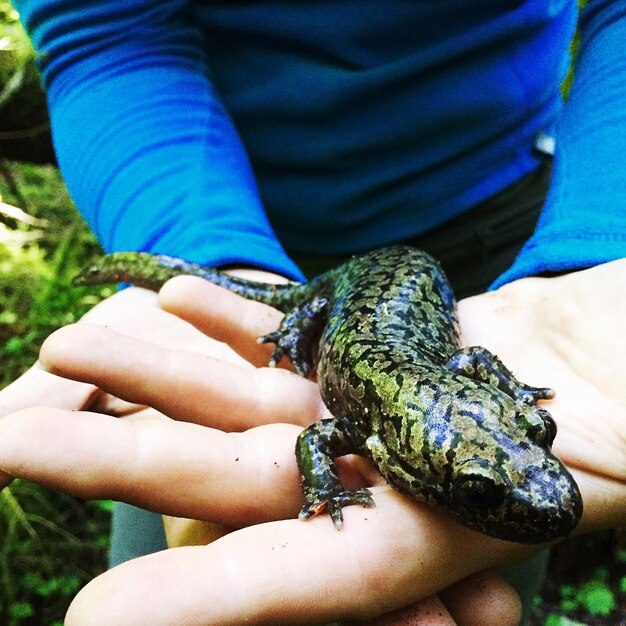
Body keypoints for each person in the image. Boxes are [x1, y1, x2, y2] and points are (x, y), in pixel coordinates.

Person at [2, 0, 626, 623]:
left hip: (501, 212)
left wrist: (598, 258)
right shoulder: (377, 424)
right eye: (480, 491)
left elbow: (474, 360)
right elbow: (321, 435)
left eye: (534, 437)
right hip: (284, 241)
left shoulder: (413, 414)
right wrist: (321, 470)